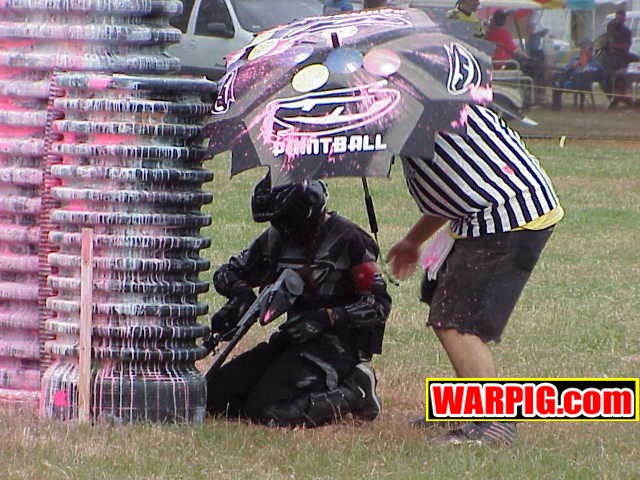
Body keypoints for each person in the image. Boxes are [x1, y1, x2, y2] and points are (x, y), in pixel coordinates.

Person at [386, 104, 564, 446]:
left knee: (456, 318)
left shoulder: (408, 108)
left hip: (506, 216)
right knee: (443, 300)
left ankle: (493, 424)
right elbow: (455, 189)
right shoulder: (422, 99)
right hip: (487, 213)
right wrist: (412, 241)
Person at [205, 175, 391, 428]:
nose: (281, 227)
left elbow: (379, 304)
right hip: (291, 341)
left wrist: (327, 317)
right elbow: (228, 272)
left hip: (337, 347)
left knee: (268, 411)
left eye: (285, 219)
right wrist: (241, 293)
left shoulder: (350, 240)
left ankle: (355, 392)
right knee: (214, 397)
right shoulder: (276, 238)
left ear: (306, 210)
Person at [598, 10, 639, 107]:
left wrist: (616, 46)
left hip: (622, 56)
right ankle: (615, 97)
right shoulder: (611, 27)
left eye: (621, 18)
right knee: (606, 76)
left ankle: (623, 96)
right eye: (617, 18)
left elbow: (627, 46)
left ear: (624, 18)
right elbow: (605, 42)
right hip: (609, 58)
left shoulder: (626, 31)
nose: (619, 20)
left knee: (623, 74)